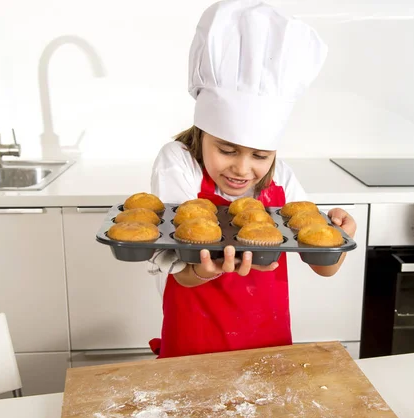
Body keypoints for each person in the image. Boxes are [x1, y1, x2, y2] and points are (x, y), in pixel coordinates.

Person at [147, 0, 357, 359]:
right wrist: (204, 270)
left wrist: (339, 239)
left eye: (260, 156)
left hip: (268, 344)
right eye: (227, 150)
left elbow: (325, 268)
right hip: (194, 345)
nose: (243, 169)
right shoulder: (178, 163)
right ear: (203, 132)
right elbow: (181, 272)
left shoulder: (282, 180)